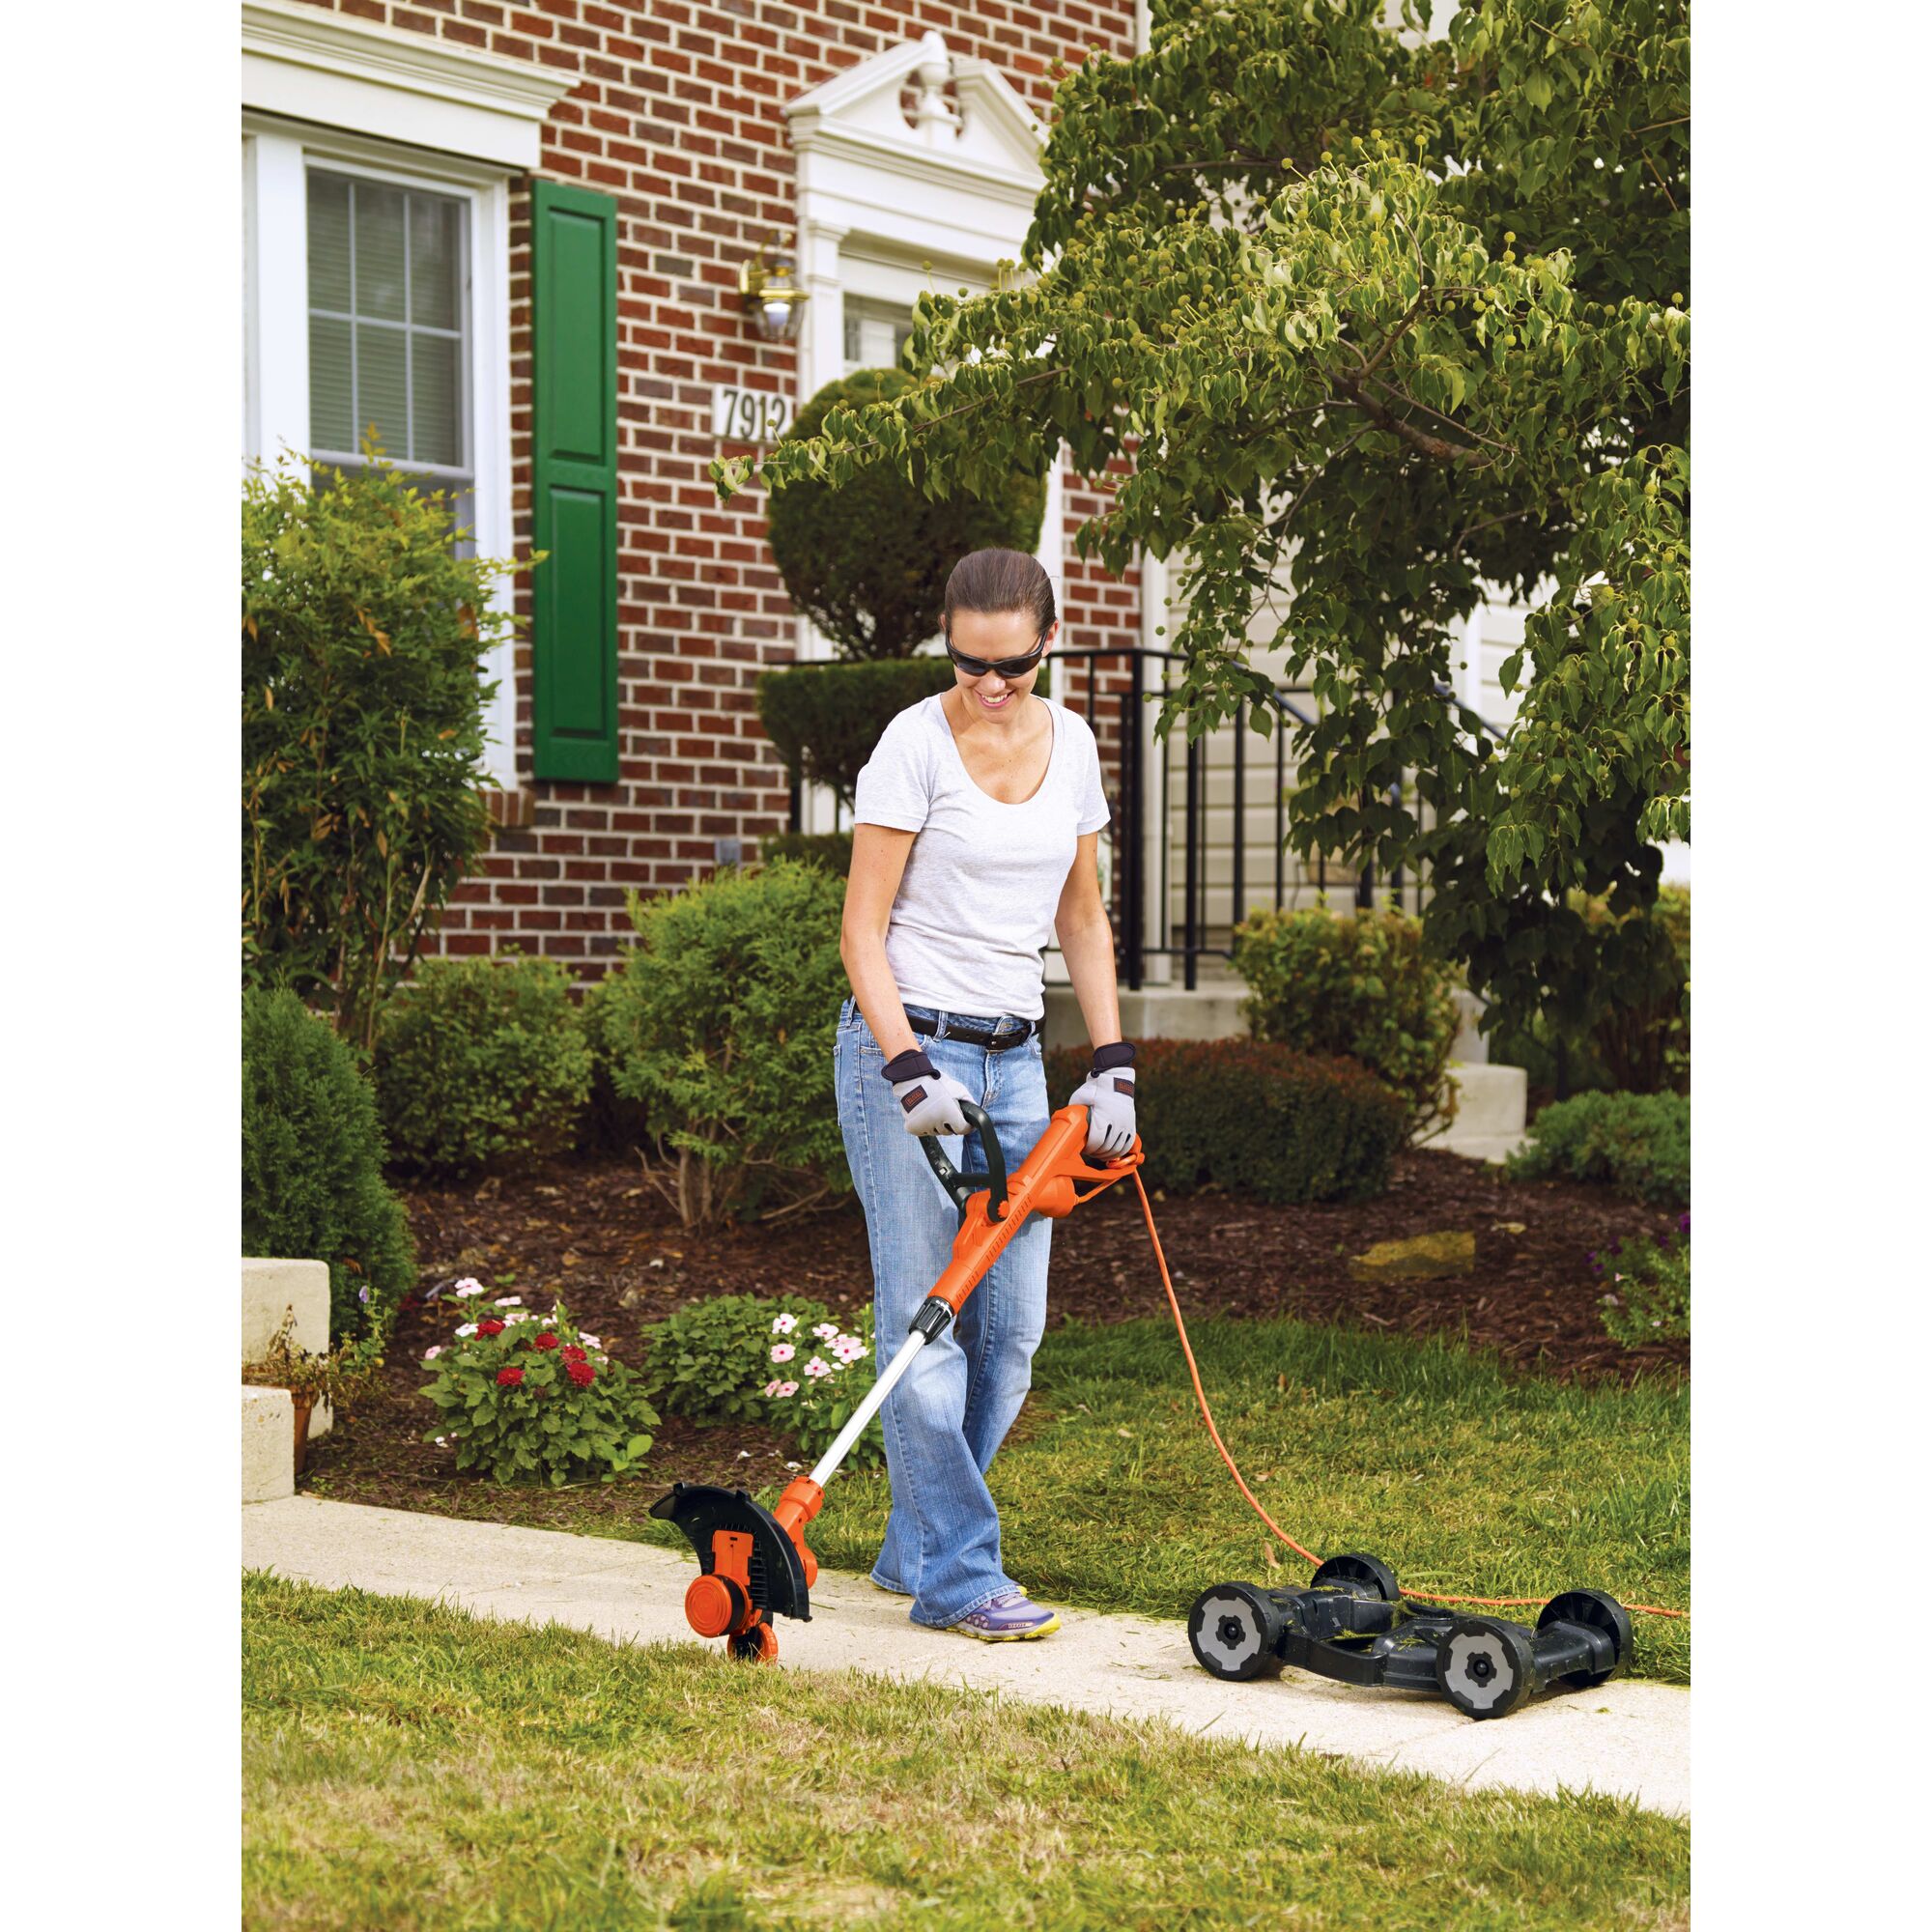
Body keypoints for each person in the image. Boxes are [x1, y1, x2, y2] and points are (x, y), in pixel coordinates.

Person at [835, 547, 1137, 1641]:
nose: (988, 684)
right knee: (926, 1323)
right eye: (968, 663)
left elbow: (1082, 919)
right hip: (907, 1051)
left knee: (1009, 1331)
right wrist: (906, 1064)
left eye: (1009, 664)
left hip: (1016, 1061)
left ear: (1044, 644)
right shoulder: (911, 744)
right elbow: (861, 928)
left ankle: (914, 1543)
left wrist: (1110, 1061)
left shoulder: (1074, 747)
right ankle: (959, 1576)